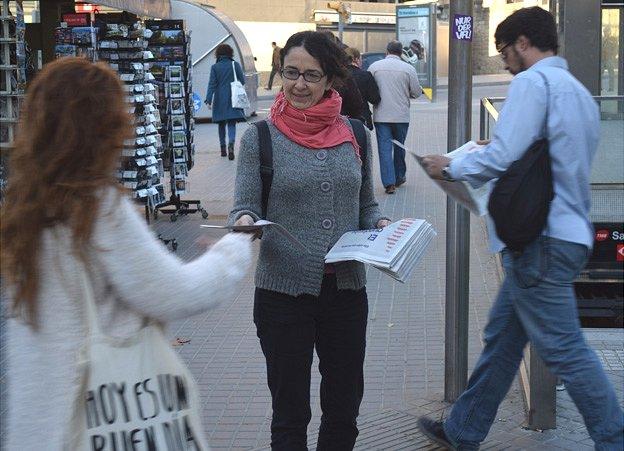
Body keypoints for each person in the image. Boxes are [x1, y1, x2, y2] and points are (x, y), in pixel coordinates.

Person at [1, 57, 253, 450]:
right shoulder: (97, 207)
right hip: (101, 417)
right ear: (103, 127)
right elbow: (176, 293)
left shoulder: (24, 210)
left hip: (39, 423)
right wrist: (234, 248)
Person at [418, 7, 624, 450]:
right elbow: (549, 157)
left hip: (540, 241)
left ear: (524, 43)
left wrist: (449, 165)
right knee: (503, 340)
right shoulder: (578, 92)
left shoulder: (533, 83)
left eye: (505, 51)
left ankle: (614, 438)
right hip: (565, 234)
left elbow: (502, 158)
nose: (506, 62)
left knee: (565, 349)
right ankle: (464, 429)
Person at [229, 31, 390, 450]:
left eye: (311, 75)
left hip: (346, 291)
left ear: (331, 80)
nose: (299, 85)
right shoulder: (259, 138)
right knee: (290, 413)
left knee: (343, 408)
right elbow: (243, 205)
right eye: (290, 73)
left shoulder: (356, 132)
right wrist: (245, 220)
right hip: (282, 294)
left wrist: (381, 226)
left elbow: (366, 205)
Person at [368, 40, 422, 194]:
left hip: (381, 115)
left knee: (384, 149)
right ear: (401, 52)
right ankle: (399, 177)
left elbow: (370, 88)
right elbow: (417, 93)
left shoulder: (374, 67)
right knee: (399, 147)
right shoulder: (408, 69)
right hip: (401, 116)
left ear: (387, 51)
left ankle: (389, 183)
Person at [205, 43, 246, 160]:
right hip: (232, 98)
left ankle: (223, 148)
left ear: (218, 54)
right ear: (230, 53)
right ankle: (231, 144)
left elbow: (211, 84)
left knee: (221, 123)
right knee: (231, 123)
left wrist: (208, 99)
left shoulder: (215, 67)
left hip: (219, 98)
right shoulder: (235, 64)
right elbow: (242, 81)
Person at [345, 47, 381, 130]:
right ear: (356, 59)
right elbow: (375, 99)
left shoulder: (338, 76)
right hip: (362, 118)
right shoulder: (365, 75)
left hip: (342, 119)